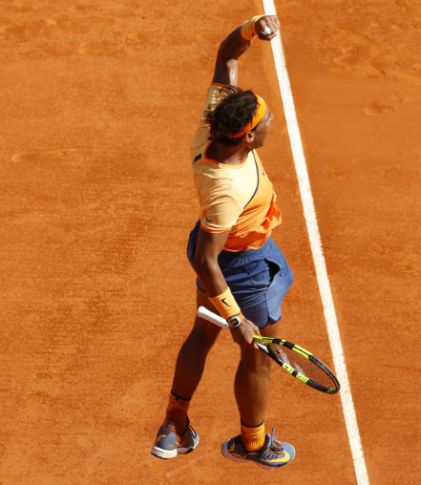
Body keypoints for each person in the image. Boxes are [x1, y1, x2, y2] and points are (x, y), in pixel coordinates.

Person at [150, 14, 296, 468]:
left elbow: (227, 54)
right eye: (266, 120)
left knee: (201, 333)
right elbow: (206, 260)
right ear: (248, 136)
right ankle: (253, 442)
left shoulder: (213, 123)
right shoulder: (227, 189)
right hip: (242, 267)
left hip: (231, 250)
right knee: (259, 355)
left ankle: (175, 424)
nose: (272, 120)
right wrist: (237, 318)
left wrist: (253, 27)